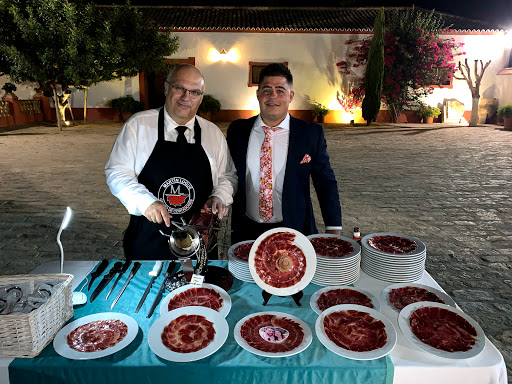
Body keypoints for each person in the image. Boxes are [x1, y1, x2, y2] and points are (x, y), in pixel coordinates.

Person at [105, 64, 237, 260]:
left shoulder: (212, 133)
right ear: (166, 88)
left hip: (199, 239)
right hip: (149, 237)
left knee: (198, 290)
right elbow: (117, 173)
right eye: (179, 88)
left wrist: (219, 196)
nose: (186, 97)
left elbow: (227, 175)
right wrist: (146, 202)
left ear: (201, 97)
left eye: (194, 92)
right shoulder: (138, 125)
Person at [227, 63, 341, 244]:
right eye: (267, 90)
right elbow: (227, 173)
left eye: (280, 90)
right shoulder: (238, 131)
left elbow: (325, 182)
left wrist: (333, 226)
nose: (273, 96)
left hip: (294, 229)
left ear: (290, 96)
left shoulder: (310, 134)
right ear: (258, 95)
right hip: (246, 230)